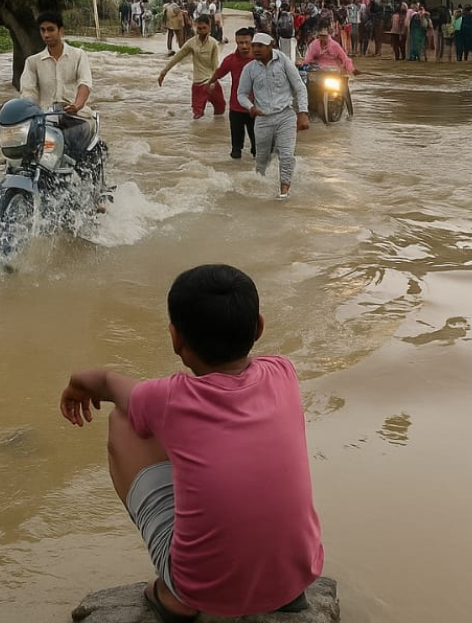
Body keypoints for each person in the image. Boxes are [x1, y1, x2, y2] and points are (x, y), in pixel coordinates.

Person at [58, 264, 323, 622]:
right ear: (259, 327)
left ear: (175, 338)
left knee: (125, 420)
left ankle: (177, 598)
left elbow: (106, 383)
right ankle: (281, 592)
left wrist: (77, 382)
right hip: (295, 576)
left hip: (203, 589)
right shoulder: (283, 372)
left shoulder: (167, 398)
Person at [19, 11, 107, 203]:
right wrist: (28, 112)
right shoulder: (32, 62)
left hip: (76, 117)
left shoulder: (78, 55)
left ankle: (93, 194)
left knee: (83, 153)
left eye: (51, 29)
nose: (46, 34)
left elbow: (85, 83)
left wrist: (77, 104)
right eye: (42, 30)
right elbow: (28, 92)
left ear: (61, 31)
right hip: (44, 119)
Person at [237, 33, 310, 199]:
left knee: (286, 155)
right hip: (262, 118)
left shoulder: (284, 61)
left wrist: (303, 113)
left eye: (260, 46)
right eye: (254, 45)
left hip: (285, 115)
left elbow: (299, 87)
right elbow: (241, 94)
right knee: (261, 158)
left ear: (271, 46)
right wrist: (251, 108)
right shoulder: (249, 69)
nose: (255, 49)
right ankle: (259, 189)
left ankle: (284, 192)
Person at [157, 15, 225, 119]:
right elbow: (177, 58)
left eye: (204, 28)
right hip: (198, 84)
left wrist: (213, 82)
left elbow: (216, 65)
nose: (201, 31)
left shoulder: (214, 44)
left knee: (220, 110)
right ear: (195, 27)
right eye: (199, 28)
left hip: (211, 83)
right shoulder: (191, 43)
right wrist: (163, 73)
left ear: (209, 27)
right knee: (197, 115)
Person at [206, 27, 258, 160]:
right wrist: (208, 85)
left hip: (257, 109)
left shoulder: (261, 59)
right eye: (240, 43)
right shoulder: (231, 60)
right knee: (235, 151)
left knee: (258, 150)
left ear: (253, 41)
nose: (244, 46)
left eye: (247, 42)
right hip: (236, 109)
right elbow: (218, 73)